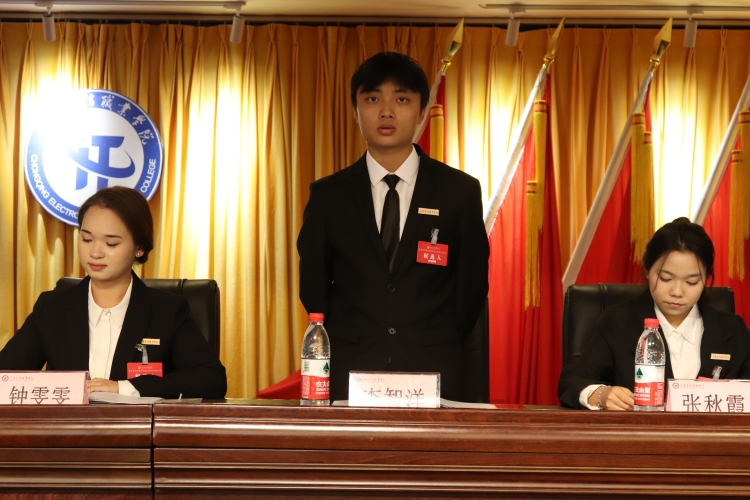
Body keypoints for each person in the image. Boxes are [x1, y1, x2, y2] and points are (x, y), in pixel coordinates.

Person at [297, 51, 490, 401]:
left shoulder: (458, 191)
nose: (386, 111)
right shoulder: (328, 195)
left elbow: (471, 287)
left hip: (433, 369)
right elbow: (313, 286)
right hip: (350, 368)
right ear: (355, 112)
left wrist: (431, 338)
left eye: (401, 99)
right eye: (372, 99)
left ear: (421, 111)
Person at [0, 186, 227, 399]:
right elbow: (4, 375)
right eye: (86, 239)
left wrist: (123, 388)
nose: (95, 252)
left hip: (134, 427)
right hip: (66, 427)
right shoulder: (51, 307)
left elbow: (211, 379)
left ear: (139, 248)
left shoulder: (167, 311)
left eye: (111, 244)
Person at [558, 217, 750, 410]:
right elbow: (572, 381)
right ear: (648, 270)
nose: (677, 292)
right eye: (665, 278)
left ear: (706, 278)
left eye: (691, 282)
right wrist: (601, 395)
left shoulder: (732, 330)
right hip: (638, 429)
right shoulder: (618, 322)